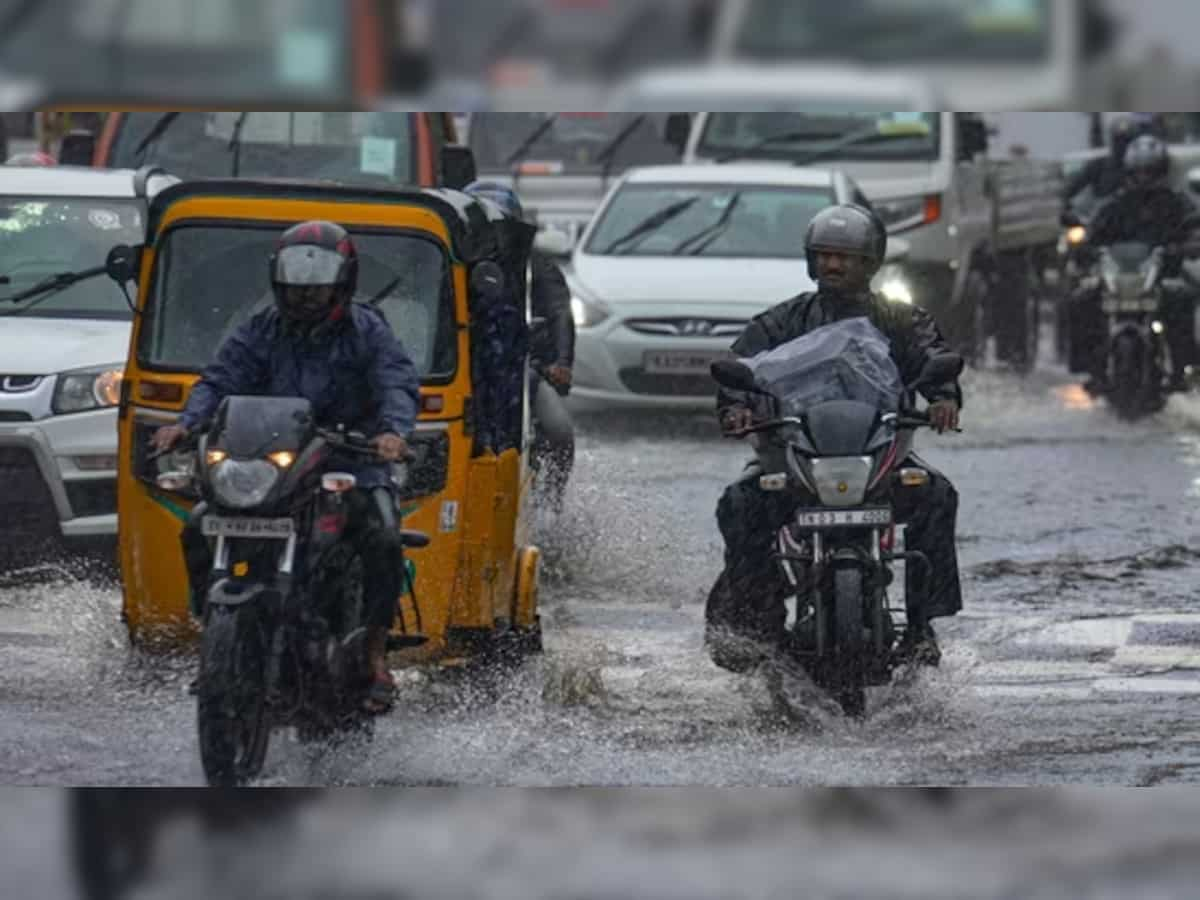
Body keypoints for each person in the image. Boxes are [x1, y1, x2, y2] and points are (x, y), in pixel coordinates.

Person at [151, 220, 421, 715]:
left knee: (383, 533)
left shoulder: (368, 331)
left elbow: (396, 384)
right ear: (278, 277)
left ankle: (375, 651)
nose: (307, 293)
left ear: (344, 279)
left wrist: (393, 433)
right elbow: (219, 380)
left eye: (318, 281)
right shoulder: (260, 330)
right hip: (277, 463)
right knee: (196, 526)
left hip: (351, 460)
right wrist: (186, 423)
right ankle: (215, 635)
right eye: (297, 278)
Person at [706, 203, 964, 675]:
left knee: (936, 496)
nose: (833, 265)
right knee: (740, 503)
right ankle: (760, 622)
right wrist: (736, 408)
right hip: (796, 456)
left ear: (870, 263)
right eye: (824, 255)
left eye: (844, 257)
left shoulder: (903, 319)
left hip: (877, 456)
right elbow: (739, 366)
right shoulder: (782, 321)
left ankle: (922, 628)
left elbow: (935, 358)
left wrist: (944, 398)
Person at [463, 180, 576, 508]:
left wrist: (562, 363)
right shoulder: (450, 261)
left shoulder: (537, 266)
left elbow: (559, 314)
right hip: (462, 371)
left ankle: (550, 502)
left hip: (519, 368)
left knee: (557, 430)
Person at [1071, 134, 1200, 392]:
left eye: (1150, 173)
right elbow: (1092, 232)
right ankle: (1089, 367)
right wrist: (1085, 246)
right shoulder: (1115, 204)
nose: (1144, 179)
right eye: (1138, 173)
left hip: (1162, 277)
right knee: (1081, 299)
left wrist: (1186, 246)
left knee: (1182, 298)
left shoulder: (1176, 203)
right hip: (1119, 279)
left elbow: (1193, 226)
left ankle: (1184, 368)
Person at [1063, 113, 1166, 208]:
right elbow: (1074, 187)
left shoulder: (1143, 166)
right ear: (1113, 140)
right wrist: (1067, 203)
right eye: (1118, 141)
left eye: (1126, 141)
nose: (1121, 146)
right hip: (1104, 220)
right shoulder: (1099, 164)